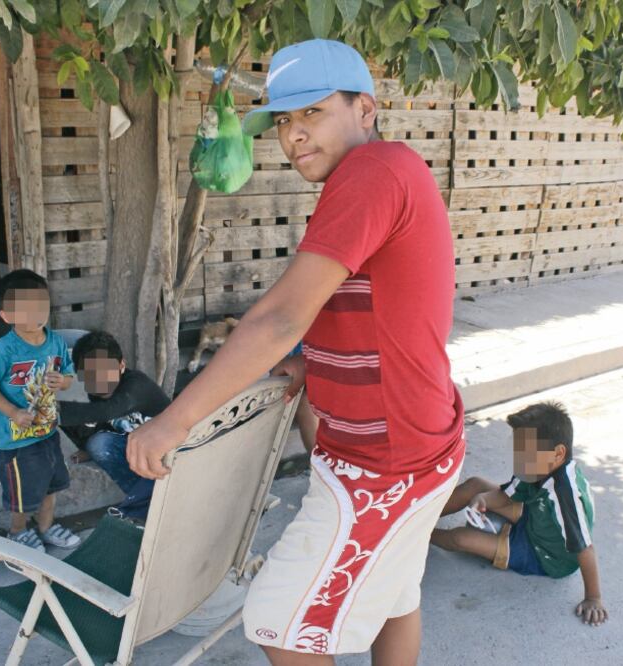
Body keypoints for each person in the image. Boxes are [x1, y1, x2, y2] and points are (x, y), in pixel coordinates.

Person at [128, 39, 465, 664]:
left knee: (280, 622)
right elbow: (376, 305)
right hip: (418, 438)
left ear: (365, 108)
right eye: (283, 121)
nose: (293, 135)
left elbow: (281, 317)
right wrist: (316, 362)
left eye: (311, 112)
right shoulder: (388, 172)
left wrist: (174, 421)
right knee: (392, 593)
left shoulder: (371, 172)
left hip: (383, 461)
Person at [431, 402, 608, 626]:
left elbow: (585, 549)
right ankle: (420, 517)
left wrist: (593, 597)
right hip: (534, 517)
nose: (520, 458)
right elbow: (507, 495)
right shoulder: (535, 467)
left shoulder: (565, 496)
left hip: (543, 556)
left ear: (558, 453)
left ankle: (419, 535)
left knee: (460, 538)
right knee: (476, 485)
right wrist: (483, 499)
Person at [0, 269, 81, 552]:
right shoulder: (4, 350)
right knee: (22, 496)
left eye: (40, 306)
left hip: (47, 431)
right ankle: (18, 532)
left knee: (50, 485)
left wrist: (64, 381)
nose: (34, 314)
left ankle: (46, 527)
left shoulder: (56, 342)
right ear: (7, 317)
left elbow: (69, 375)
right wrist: (12, 411)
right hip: (16, 440)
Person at [58, 330, 169, 520]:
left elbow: (110, 410)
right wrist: (87, 449)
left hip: (168, 451)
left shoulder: (136, 385)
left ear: (121, 365)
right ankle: (145, 500)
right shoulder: (96, 392)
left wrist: (56, 412)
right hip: (138, 449)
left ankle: (146, 504)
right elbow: (104, 422)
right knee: (97, 444)